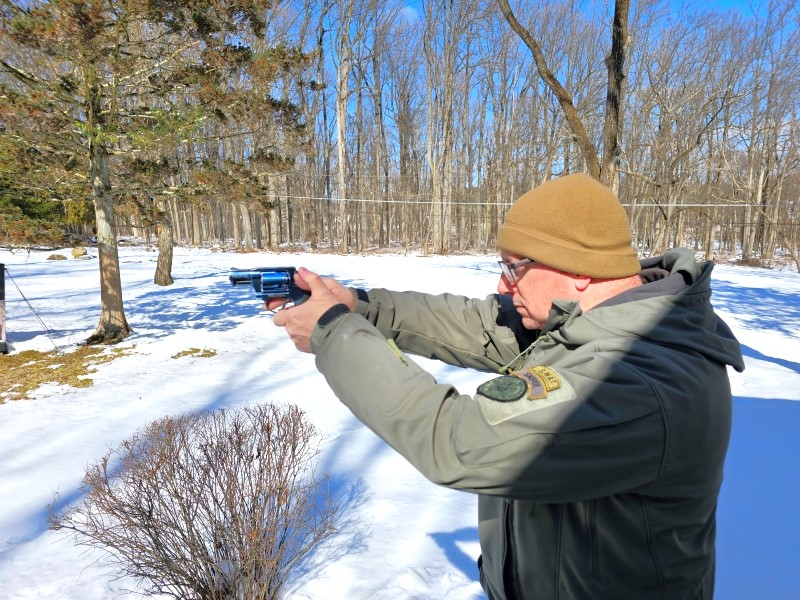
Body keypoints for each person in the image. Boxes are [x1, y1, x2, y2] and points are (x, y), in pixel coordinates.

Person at [269, 173, 744, 600]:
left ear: (578, 269)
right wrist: (358, 306)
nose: (502, 284)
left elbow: (458, 442)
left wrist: (334, 332)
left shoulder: (642, 383)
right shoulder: (590, 324)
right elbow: (477, 325)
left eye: (514, 267)